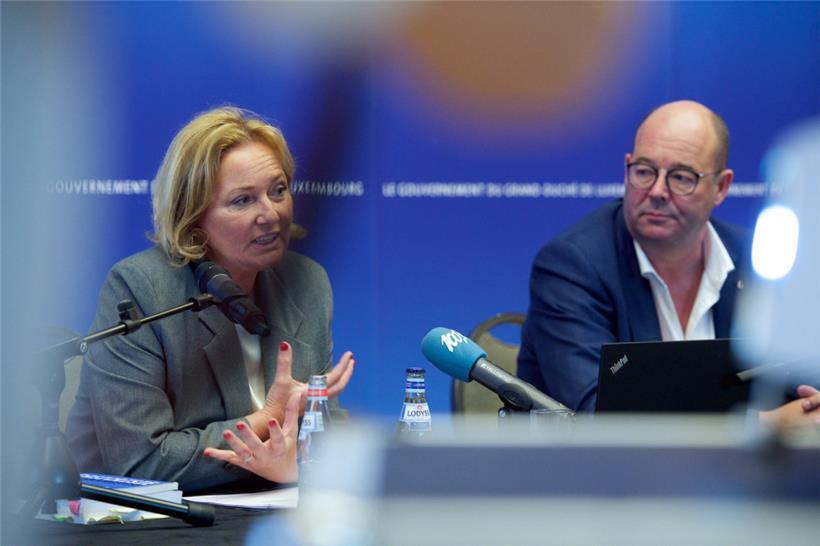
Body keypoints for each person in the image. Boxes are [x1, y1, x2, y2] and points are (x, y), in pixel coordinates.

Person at [66, 106, 354, 491]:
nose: (270, 214)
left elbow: (322, 440)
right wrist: (267, 420)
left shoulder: (305, 283)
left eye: (278, 190)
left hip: (261, 514)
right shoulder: (142, 289)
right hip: (141, 524)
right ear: (194, 216)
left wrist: (305, 461)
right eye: (242, 200)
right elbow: (140, 463)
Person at [517, 100, 820, 424]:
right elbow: (599, 418)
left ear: (720, 187)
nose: (658, 191)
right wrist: (767, 424)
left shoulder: (759, 260)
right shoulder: (572, 267)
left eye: (680, 177)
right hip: (595, 472)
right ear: (627, 168)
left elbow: (798, 375)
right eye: (645, 172)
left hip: (747, 474)